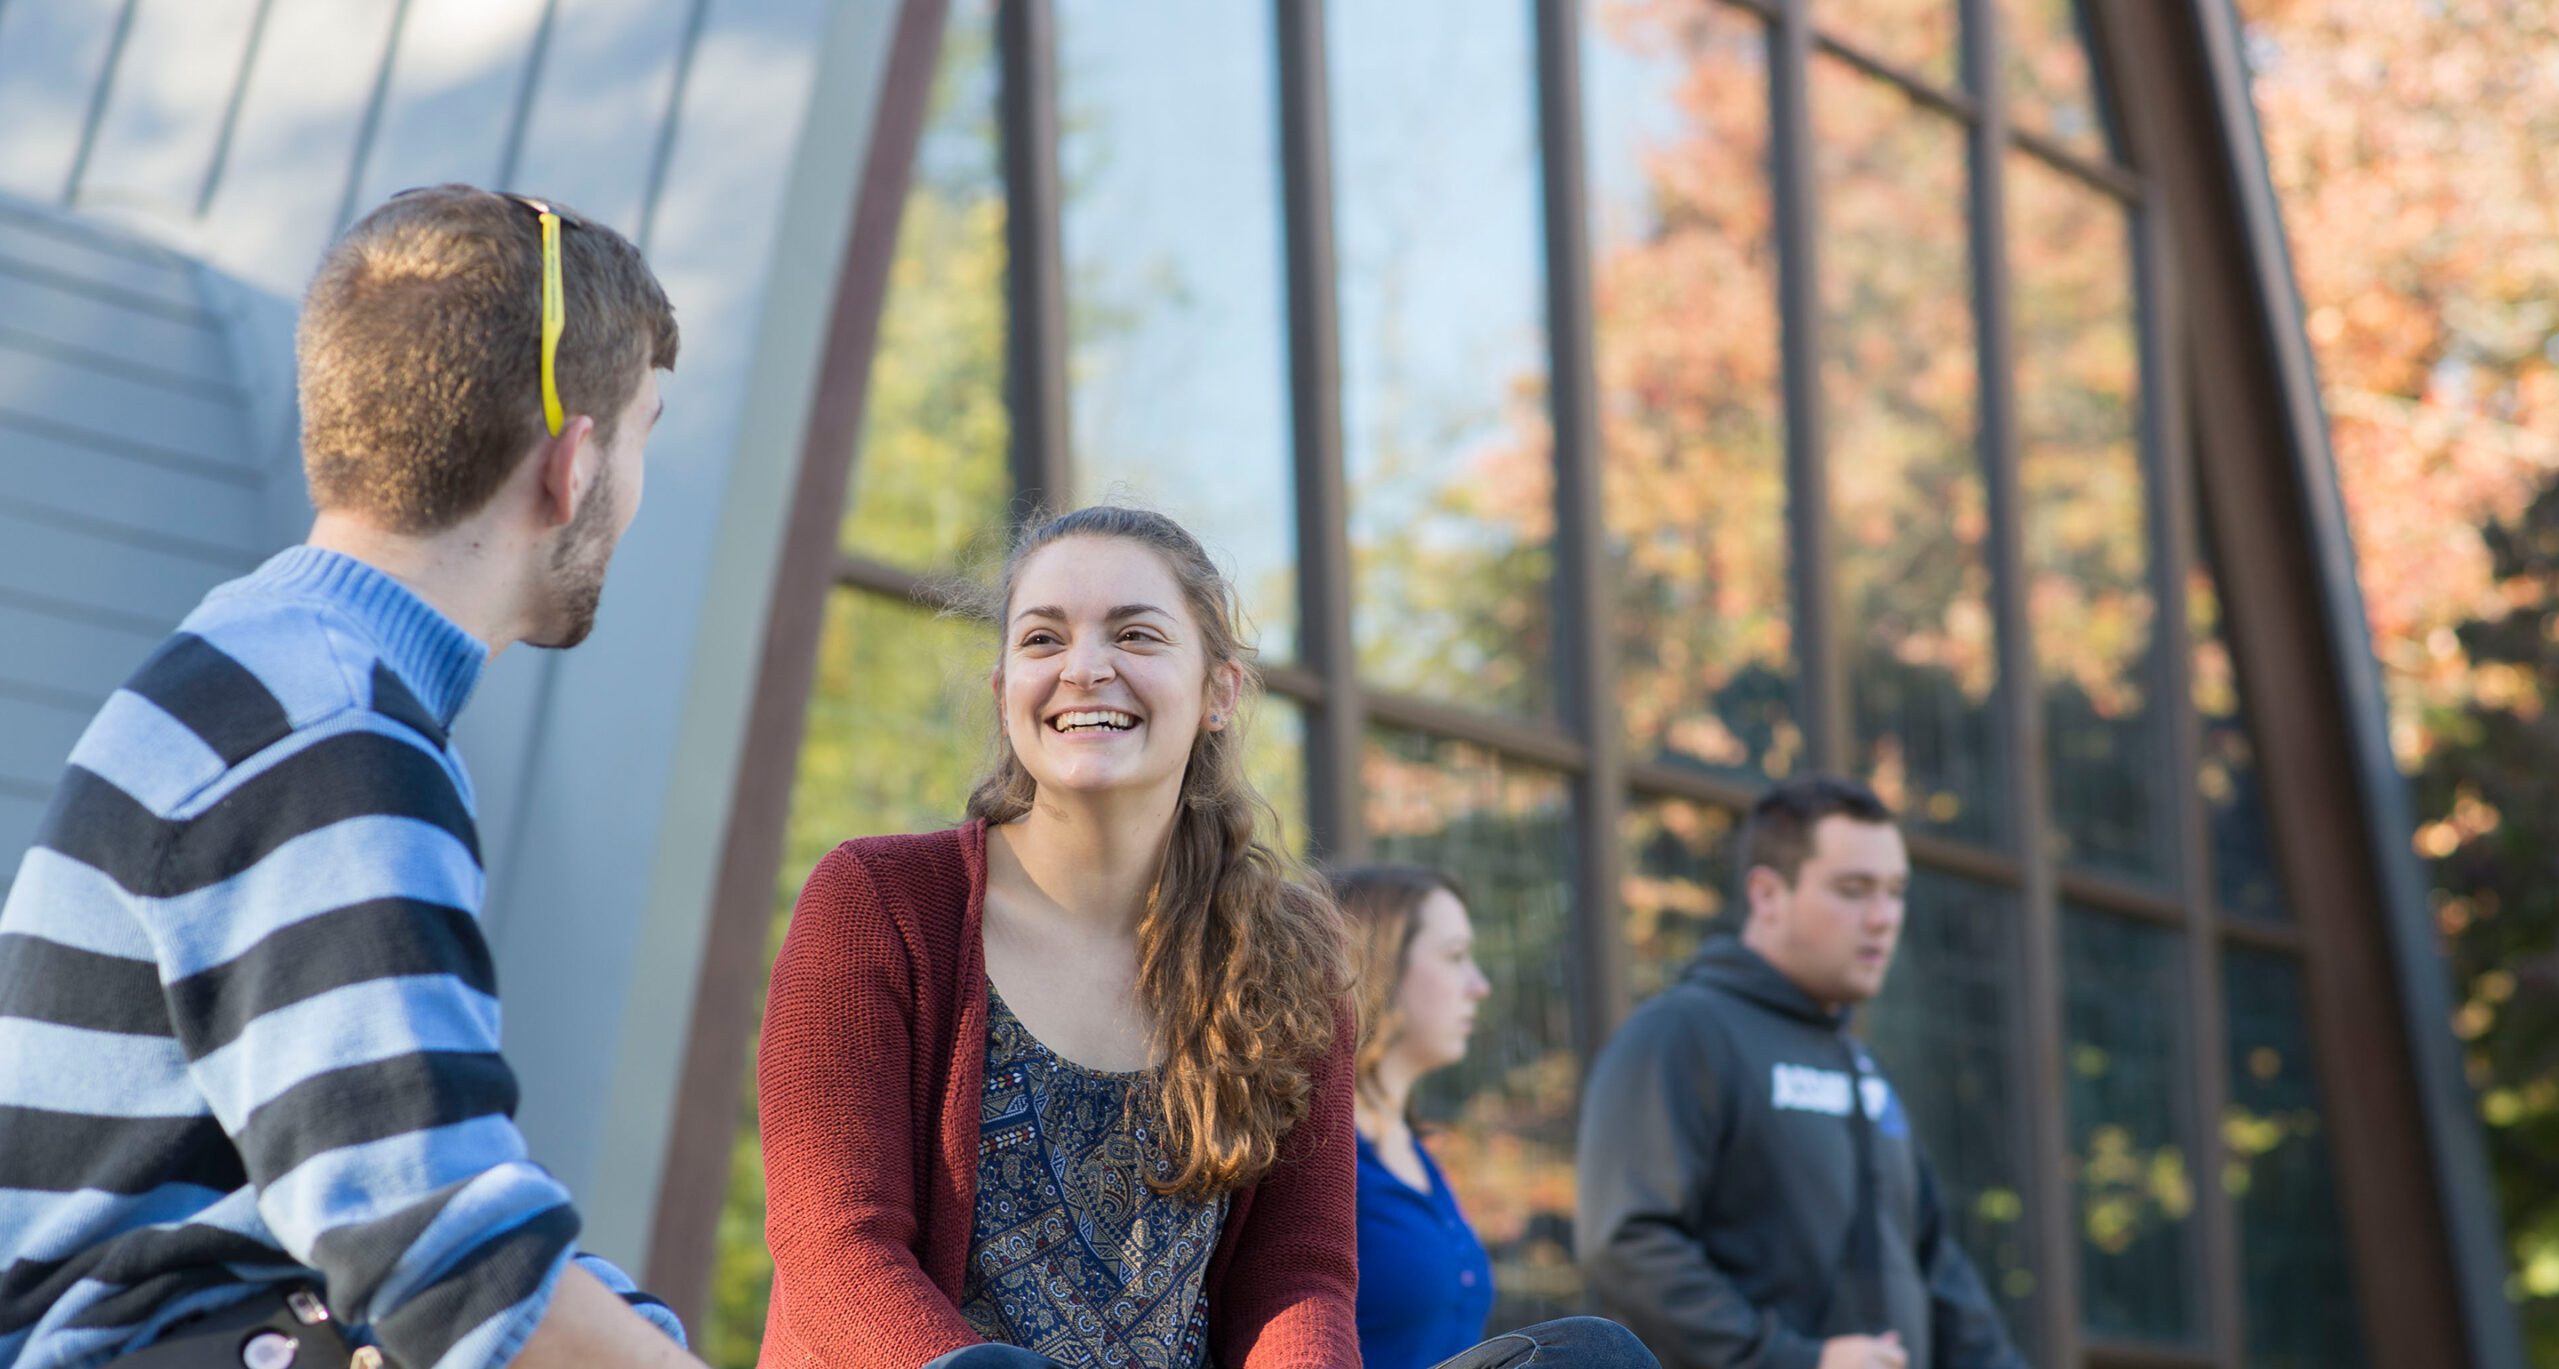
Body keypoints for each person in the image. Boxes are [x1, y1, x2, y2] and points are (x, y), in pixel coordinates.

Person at [0, 185, 702, 1369]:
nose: (634, 486)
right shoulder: (325, 736)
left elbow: (404, 1180)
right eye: (644, 433)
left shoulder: (274, 668)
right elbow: (445, 1258)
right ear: (573, 466)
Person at [755, 505, 1658, 1369]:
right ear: (1004, 695)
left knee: (1592, 1358)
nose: (1083, 667)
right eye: (1042, 638)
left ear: (1219, 691)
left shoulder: (1288, 950)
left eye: (1135, 634)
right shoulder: (880, 901)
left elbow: (1296, 1283)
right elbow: (837, 1244)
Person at [1574, 776, 2026, 1369]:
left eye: (1895, 891)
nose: (1884, 917)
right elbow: (1629, 1246)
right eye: (1853, 889)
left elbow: (1936, 1270)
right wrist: (1792, 1360)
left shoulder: (1861, 1063)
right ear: (1766, 894)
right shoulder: (1682, 1034)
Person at [1333, 865, 1495, 1367]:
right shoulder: (1318, 1156)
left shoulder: (1413, 1148)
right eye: (1455, 957)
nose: (1479, 985)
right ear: (1379, 965)